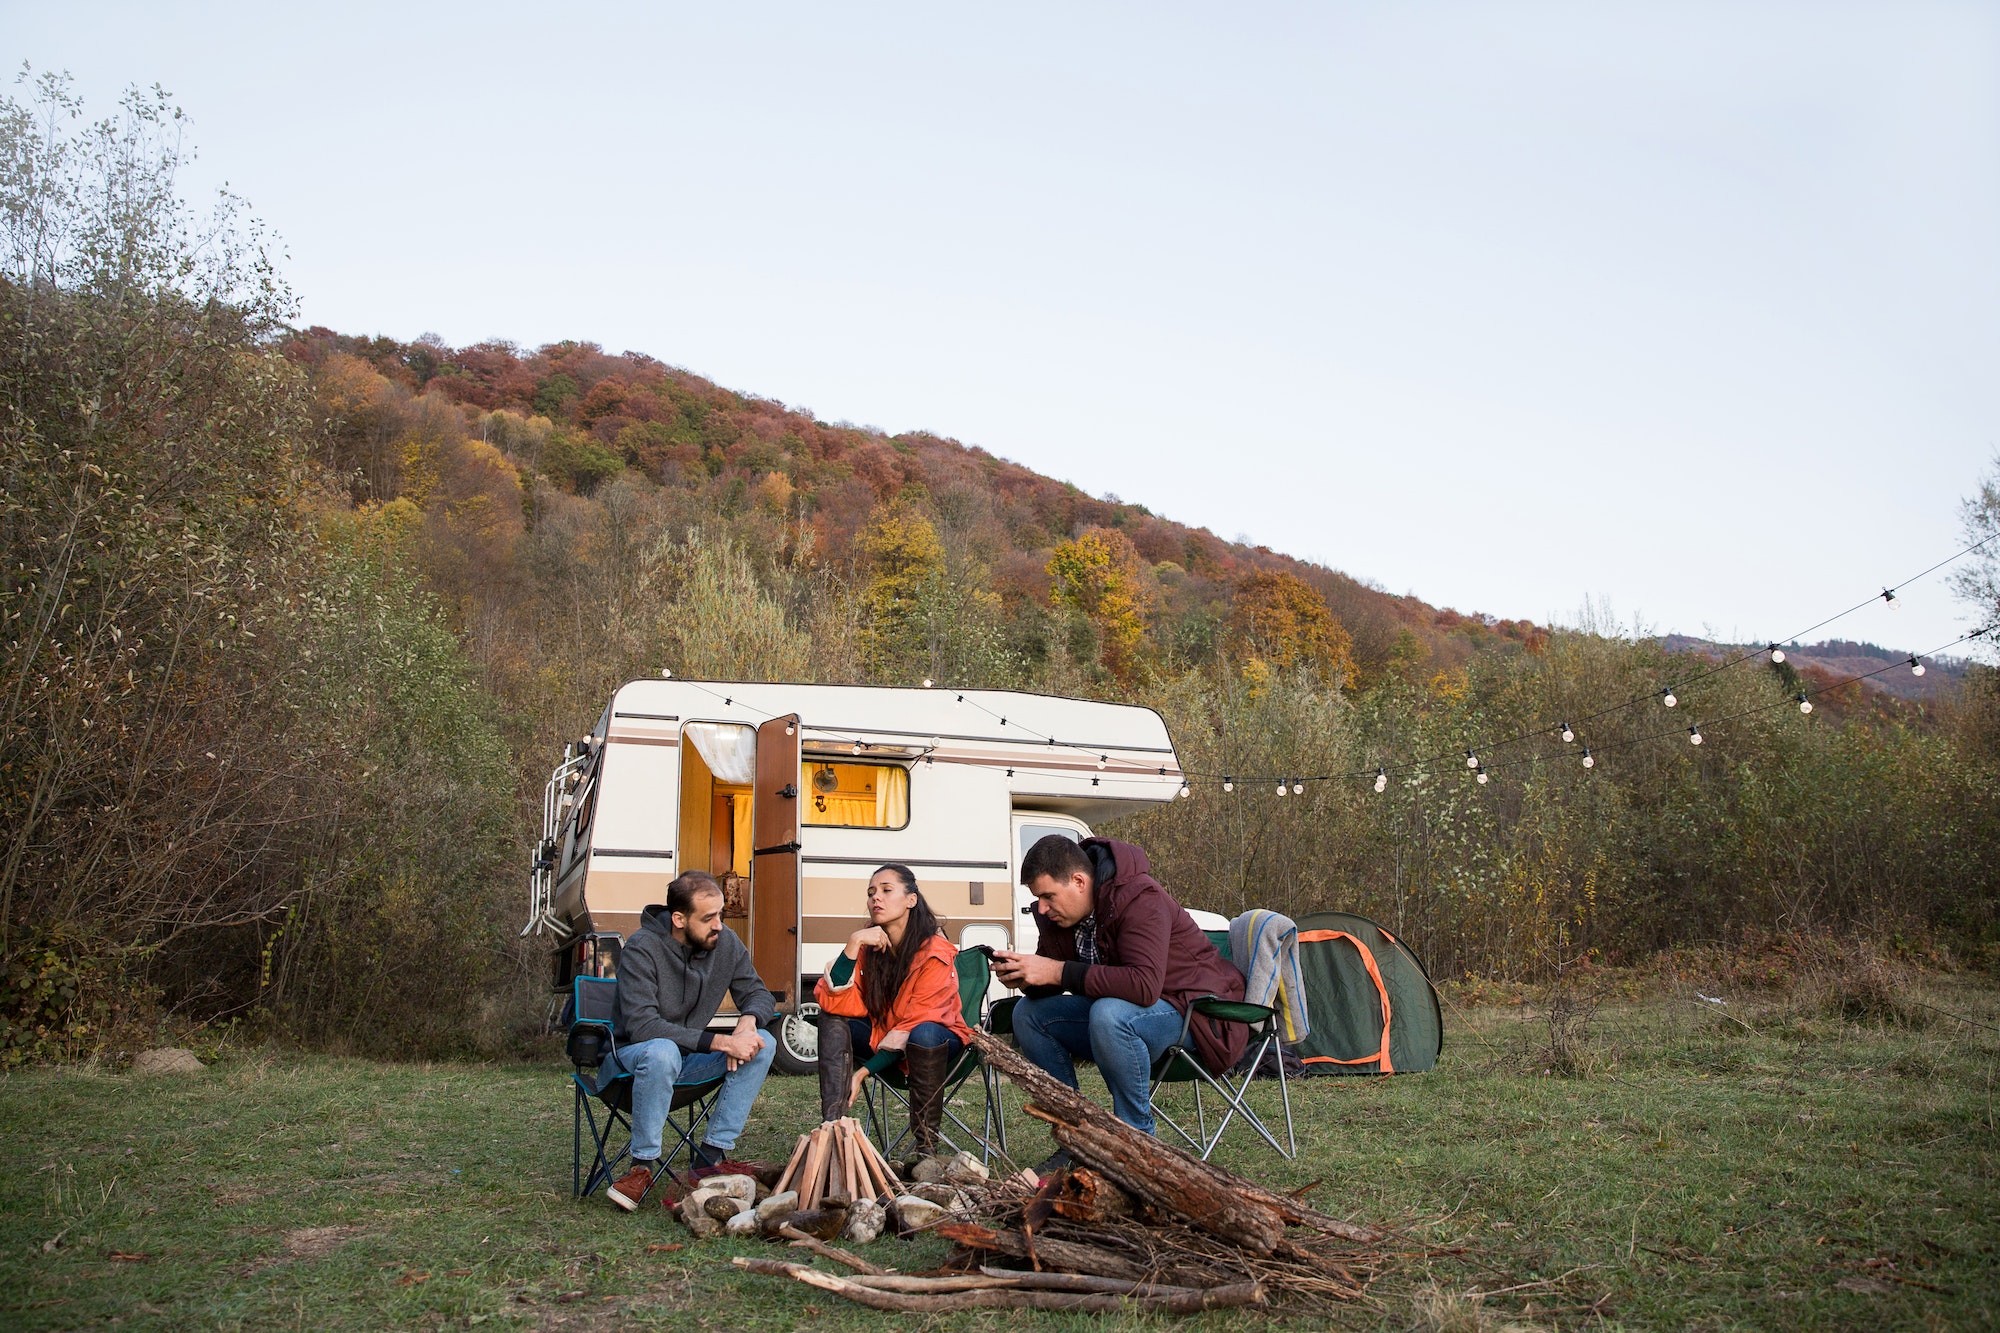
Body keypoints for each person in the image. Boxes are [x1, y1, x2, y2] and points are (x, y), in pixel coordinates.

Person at [992, 834, 1245, 1164]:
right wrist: (1026, 975)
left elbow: (1143, 985)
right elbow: (1053, 978)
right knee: (1028, 1013)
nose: (1042, 907)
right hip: (1131, 1016)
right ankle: (1078, 1139)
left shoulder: (1139, 896)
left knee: (1109, 1014)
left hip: (1197, 1013)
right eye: (1038, 898)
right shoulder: (1060, 915)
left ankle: (1136, 1147)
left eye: (1048, 896)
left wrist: (1056, 971)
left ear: (1079, 881)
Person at [603, 870, 778, 1211]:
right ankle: (641, 1167)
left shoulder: (724, 943)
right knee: (663, 1051)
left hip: (685, 1062)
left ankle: (708, 1159)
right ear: (679, 919)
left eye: (721, 914)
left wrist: (748, 1021)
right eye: (709, 917)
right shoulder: (643, 948)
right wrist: (722, 1042)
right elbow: (643, 1027)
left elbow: (758, 992)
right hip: (630, 1062)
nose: (719, 925)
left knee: (763, 1042)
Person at [814, 864, 971, 1161]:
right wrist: (854, 943)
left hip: (936, 1042)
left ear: (911, 899)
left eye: (887, 891)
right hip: (883, 1036)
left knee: (922, 1032)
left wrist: (862, 1071)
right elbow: (831, 999)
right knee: (831, 1018)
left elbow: (912, 1026)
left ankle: (927, 1151)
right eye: (871, 892)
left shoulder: (935, 951)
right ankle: (832, 1129)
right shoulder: (869, 946)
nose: (876, 899)